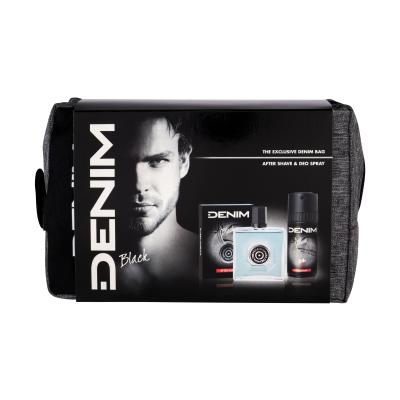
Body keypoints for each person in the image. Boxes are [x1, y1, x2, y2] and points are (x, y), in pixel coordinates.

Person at [119, 112, 198, 294]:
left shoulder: (215, 262)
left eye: (157, 161)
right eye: (121, 164)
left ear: (183, 162)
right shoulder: (81, 265)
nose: (138, 184)